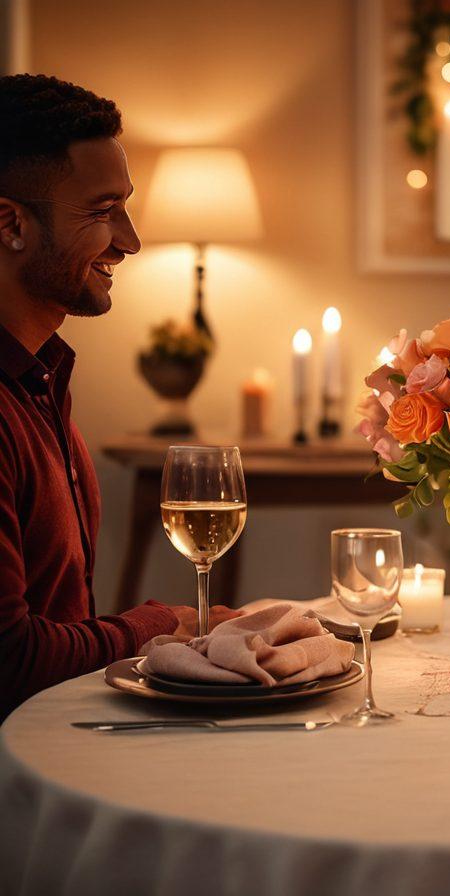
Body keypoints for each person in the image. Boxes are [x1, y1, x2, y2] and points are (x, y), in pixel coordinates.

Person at [0, 74, 236, 720]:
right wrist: (160, 624)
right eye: (103, 213)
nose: (129, 241)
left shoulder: (44, 384)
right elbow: (10, 661)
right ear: (11, 223)